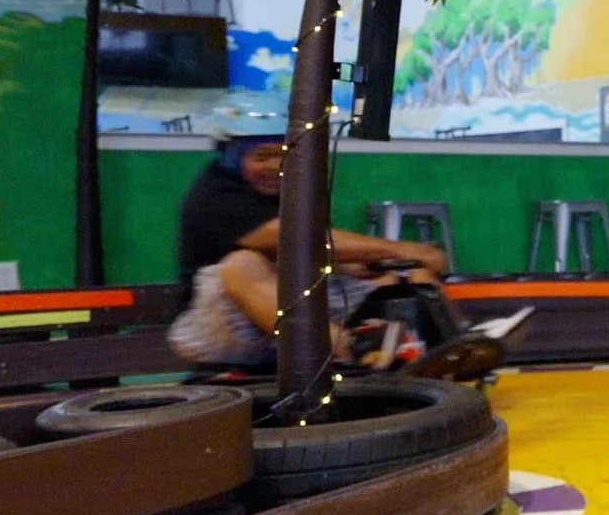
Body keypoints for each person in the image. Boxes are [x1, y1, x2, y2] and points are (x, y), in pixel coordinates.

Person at [166, 101, 447, 369]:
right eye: (261, 156)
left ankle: (443, 353)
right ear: (231, 157)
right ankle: (350, 351)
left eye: (284, 154)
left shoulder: (296, 188)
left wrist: (354, 266)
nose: (275, 166)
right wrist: (401, 249)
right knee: (241, 263)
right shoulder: (213, 195)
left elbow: (305, 254)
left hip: (290, 315)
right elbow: (294, 240)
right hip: (218, 327)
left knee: (408, 276)